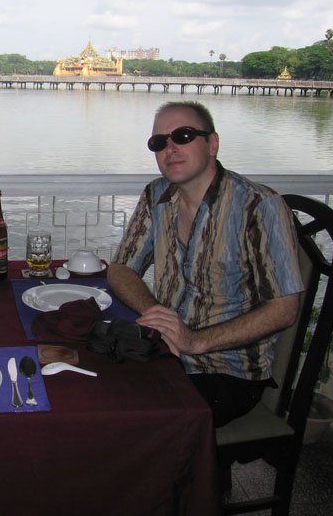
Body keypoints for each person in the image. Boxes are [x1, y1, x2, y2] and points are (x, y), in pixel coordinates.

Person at [107, 101, 304, 427]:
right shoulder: (158, 196)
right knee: (87, 381)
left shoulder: (258, 207)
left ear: (212, 143)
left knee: (134, 422)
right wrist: (159, 315)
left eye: (183, 135)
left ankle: (189, 477)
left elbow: (284, 309)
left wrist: (194, 341)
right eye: (159, 142)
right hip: (165, 351)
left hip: (228, 370)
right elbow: (120, 269)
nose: (170, 148)